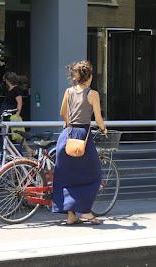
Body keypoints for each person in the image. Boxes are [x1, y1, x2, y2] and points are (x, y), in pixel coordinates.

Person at [52, 60, 107, 225]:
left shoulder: (68, 91)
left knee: (66, 177)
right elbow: (97, 118)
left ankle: (71, 215)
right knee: (94, 174)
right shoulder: (93, 94)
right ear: (89, 76)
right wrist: (104, 129)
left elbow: (62, 112)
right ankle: (86, 212)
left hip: (66, 137)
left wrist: (70, 126)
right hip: (83, 136)